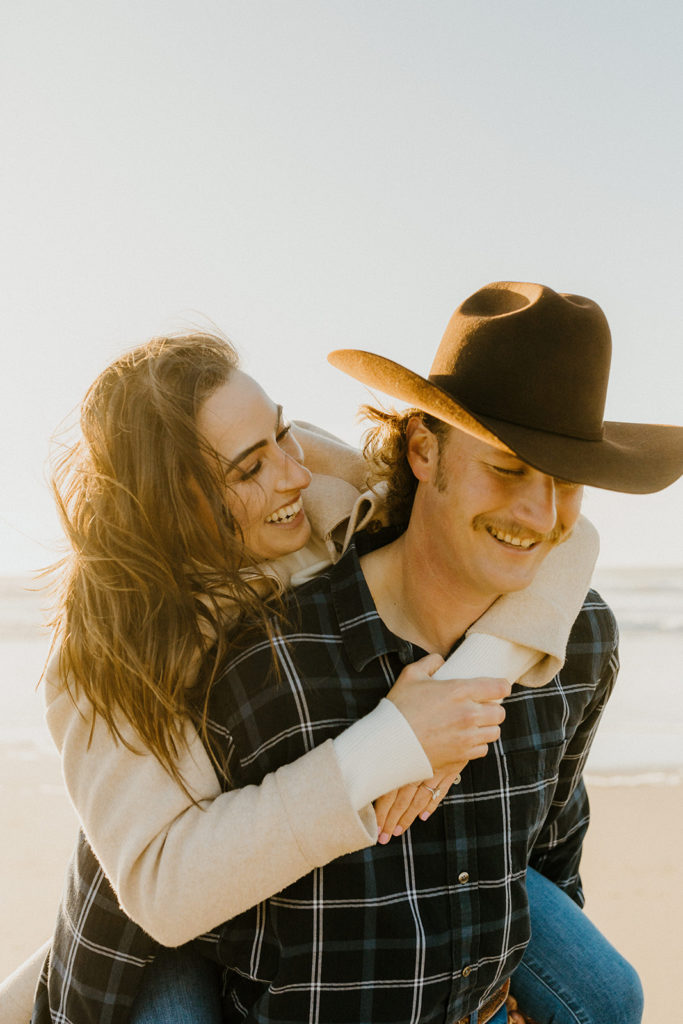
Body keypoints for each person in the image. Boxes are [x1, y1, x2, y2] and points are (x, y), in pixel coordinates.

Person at [0, 330, 596, 1024]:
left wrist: (468, 684)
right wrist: (389, 748)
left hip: (347, 865)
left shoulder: (324, 493)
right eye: (249, 469)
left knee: (607, 991)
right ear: (165, 500)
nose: (293, 474)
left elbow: (557, 532)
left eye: (285, 435)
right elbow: (165, 893)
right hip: (173, 914)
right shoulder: (104, 653)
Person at [186, 282, 680, 1024]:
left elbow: (549, 861)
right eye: (507, 469)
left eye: (566, 483)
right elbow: (196, 910)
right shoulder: (267, 656)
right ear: (422, 449)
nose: (539, 517)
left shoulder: (580, 642)